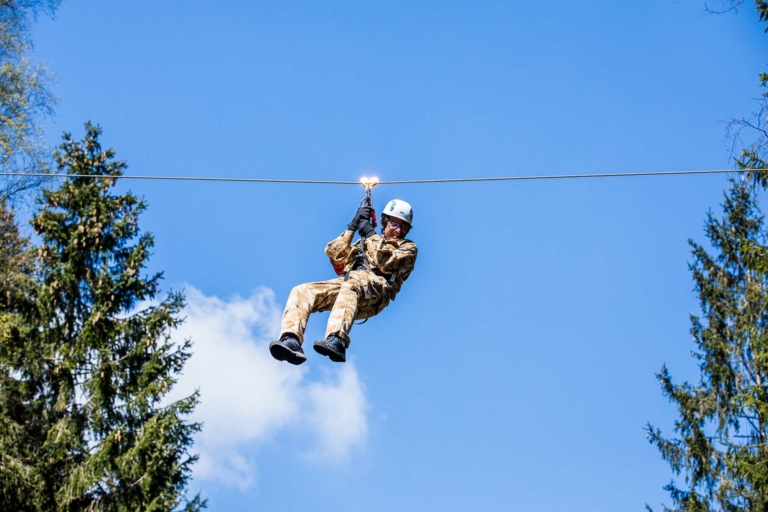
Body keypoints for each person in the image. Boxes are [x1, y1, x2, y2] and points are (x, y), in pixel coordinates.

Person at [269, 199, 418, 364]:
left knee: (353, 282)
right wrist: (352, 227)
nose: (398, 230)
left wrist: (370, 233)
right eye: (394, 224)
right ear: (384, 222)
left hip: (377, 292)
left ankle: (337, 340)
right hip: (350, 290)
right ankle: (291, 339)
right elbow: (335, 254)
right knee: (302, 290)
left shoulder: (408, 248)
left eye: (403, 227)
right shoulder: (364, 243)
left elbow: (384, 261)